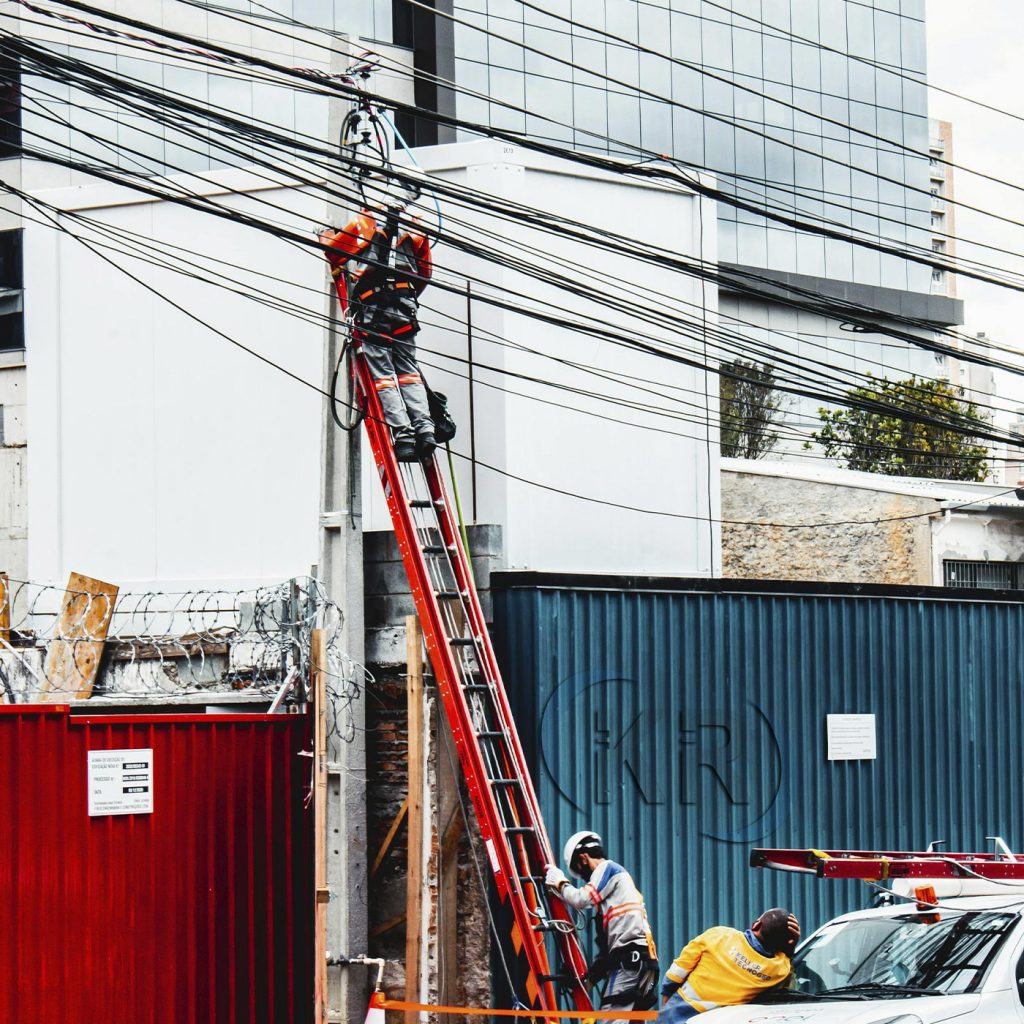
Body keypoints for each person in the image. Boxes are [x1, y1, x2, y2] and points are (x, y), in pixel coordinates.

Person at [319, 169, 436, 462]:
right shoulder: (417, 225)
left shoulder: (365, 220)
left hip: (374, 309)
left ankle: (405, 436)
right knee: (408, 371)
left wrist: (326, 236)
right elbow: (424, 274)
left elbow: (335, 253)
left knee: (383, 375)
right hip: (406, 308)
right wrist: (404, 298)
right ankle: (425, 429)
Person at [545, 831, 659, 1022]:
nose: (585, 879)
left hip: (630, 961)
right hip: (642, 963)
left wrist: (560, 883)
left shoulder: (608, 868)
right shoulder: (613, 901)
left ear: (583, 858)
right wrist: (586, 982)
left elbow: (582, 899)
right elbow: (607, 954)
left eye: (580, 872)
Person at [656, 908, 800, 1021]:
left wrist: (667, 996)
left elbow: (678, 969)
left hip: (676, 1012)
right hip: (720, 1019)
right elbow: (789, 984)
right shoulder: (778, 970)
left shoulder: (720, 935)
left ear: (756, 925)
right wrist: (790, 948)